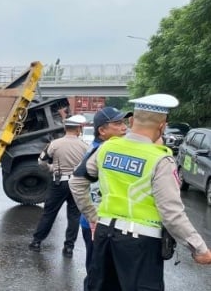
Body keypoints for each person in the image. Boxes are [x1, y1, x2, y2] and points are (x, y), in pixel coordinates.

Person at [70, 94, 211, 290]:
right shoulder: (160, 160)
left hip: (104, 236)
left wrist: (93, 216)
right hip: (140, 244)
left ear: (131, 120)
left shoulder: (107, 148)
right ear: (162, 126)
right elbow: (171, 212)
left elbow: (76, 181)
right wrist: (199, 248)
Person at [70, 107, 131, 289]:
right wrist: (93, 218)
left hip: (106, 225)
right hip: (96, 226)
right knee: (97, 275)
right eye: (118, 123)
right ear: (102, 131)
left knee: (102, 274)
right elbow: (76, 184)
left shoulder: (107, 149)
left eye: (124, 123)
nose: (124, 128)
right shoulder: (100, 151)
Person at [28, 114, 88, 257]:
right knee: (74, 216)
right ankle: (68, 248)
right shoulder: (85, 146)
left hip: (58, 182)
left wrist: (52, 169)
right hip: (77, 184)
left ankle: (36, 242)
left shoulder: (55, 144)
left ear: (65, 128)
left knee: (49, 213)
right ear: (79, 129)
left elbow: (41, 162)